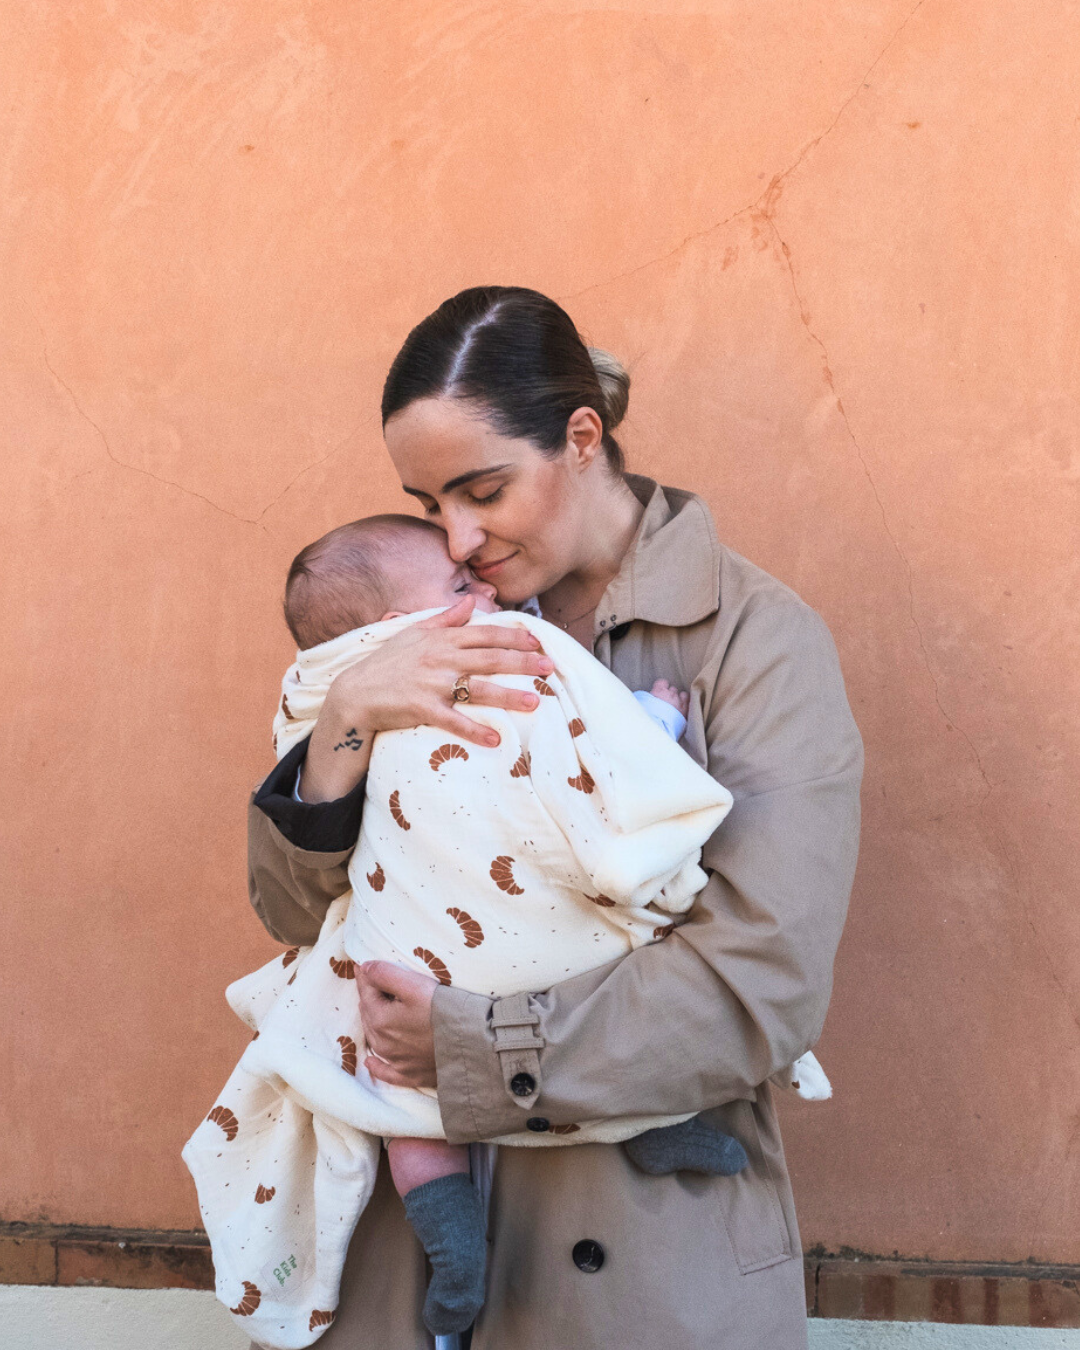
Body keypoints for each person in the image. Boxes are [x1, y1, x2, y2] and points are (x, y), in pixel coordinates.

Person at [247, 285, 863, 1350]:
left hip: (631, 1262)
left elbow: (763, 982)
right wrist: (347, 717)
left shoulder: (751, 642)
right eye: (431, 499)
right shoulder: (411, 616)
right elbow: (295, 916)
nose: (458, 532)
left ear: (582, 439)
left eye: (483, 488)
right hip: (397, 1258)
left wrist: (472, 1046)